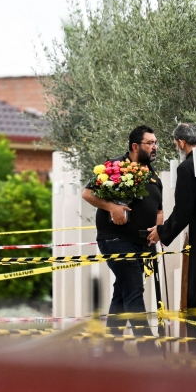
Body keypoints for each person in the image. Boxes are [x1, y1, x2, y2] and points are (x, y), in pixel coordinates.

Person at [81, 125, 163, 349]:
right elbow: (87, 193)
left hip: (140, 243)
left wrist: (158, 230)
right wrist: (111, 208)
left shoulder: (154, 175)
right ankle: (147, 349)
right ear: (135, 146)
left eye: (156, 143)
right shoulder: (115, 167)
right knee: (134, 289)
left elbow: (158, 210)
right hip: (115, 239)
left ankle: (112, 346)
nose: (155, 147)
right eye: (150, 143)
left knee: (123, 291)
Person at [147, 123, 196, 353]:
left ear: (181, 142)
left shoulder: (186, 168)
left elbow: (183, 211)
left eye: (175, 144)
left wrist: (161, 232)